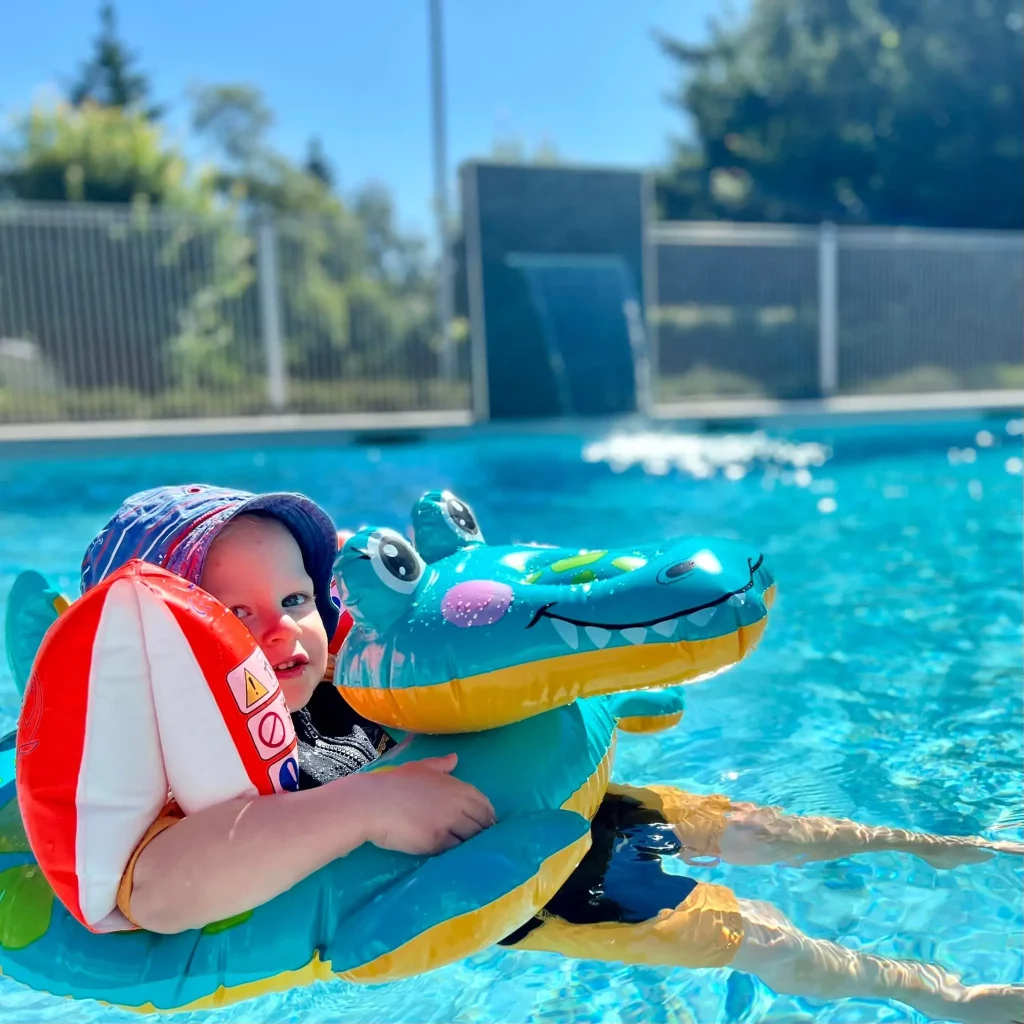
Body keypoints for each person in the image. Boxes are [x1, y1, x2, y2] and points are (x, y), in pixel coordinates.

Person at [57, 484, 1024, 1023]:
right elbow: (160, 892)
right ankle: (944, 998)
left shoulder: (342, 685)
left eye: (296, 600)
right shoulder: (199, 786)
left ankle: (938, 850)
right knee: (751, 935)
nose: (285, 633)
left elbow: (469, 684)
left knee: (752, 827)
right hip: (517, 881)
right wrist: (367, 808)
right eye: (233, 617)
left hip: (563, 801)